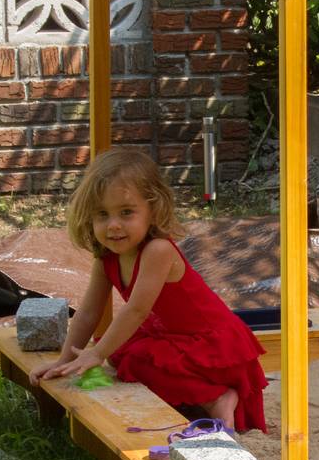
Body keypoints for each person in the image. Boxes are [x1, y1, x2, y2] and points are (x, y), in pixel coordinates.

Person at [29, 148, 268, 433]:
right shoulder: (107, 257)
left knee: (135, 358)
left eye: (126, 212)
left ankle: (218, 397)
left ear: (153, 210)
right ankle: (200, 398)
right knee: (121, 352)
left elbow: (137, 310)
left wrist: (96, 354)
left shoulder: (158, 250)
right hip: (173, 338)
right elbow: (89, 312)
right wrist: (65, 360)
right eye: (102, 214)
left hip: (213, 348)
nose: (114, 225)